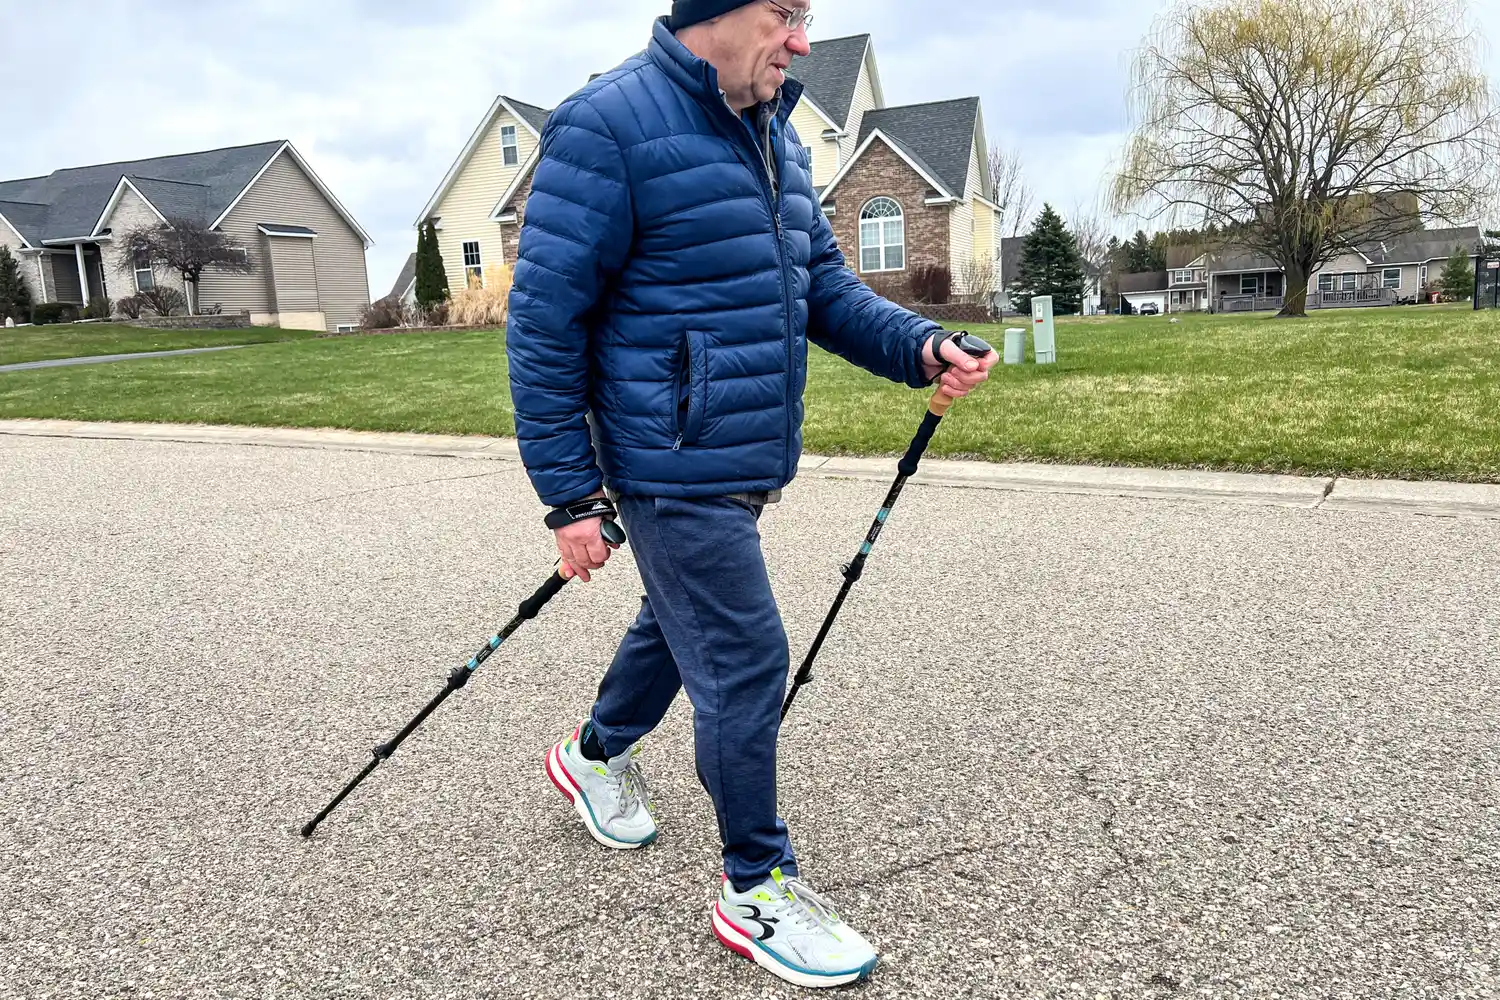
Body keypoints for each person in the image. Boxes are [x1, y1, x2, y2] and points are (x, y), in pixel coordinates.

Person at [506, 0, 997, 988]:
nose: (804, 40)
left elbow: (821, 287)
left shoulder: (776, 135)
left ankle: (594, 753)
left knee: (678, 623)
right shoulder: (607, 126)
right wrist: (570, 497)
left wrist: (921, 347)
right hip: (661, 463)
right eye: (785, 12)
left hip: (734, 460)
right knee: (742, 652)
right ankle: (757, 889)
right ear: (715, 13)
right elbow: (543, 325)